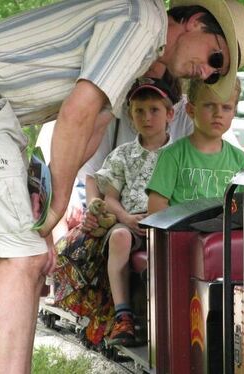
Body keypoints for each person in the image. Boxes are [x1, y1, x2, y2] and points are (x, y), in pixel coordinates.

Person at [0, 0, 244, 372]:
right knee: (22, 259)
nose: (205, 72)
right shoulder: (143, 20)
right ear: (194, 22)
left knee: (33, 258)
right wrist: (58, 204)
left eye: (214, 75)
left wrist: (44, 215)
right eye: (214, 57)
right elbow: (75, 111)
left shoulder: (142, 52)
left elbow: (93, 123)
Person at [94, 79, 174, 347]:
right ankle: (123, 316)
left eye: (154, 110)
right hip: (130, 221)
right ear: (130, 116)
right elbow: (110, 197)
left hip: (168, 222)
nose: (147, 117)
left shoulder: (180, 153)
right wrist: (126, 218)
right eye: (139, 111)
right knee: (119, 237)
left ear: (169, 114)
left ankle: (172, 315)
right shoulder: (122, 155)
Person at [146, 78, 244, 213]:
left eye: (226, 107)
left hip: (224, 233)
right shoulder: (172, 155)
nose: (218, 114)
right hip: (182, 233)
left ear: (233, 113)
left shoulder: (240, 160)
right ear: (190, 110)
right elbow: (155, 207)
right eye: (209, 105)